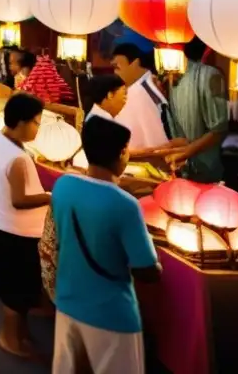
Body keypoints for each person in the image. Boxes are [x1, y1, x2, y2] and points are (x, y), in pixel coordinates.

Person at [50, 116, 161, 374]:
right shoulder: (125, 204)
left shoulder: (63, 185)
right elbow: (147, 271)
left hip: (67, 303)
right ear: (123, 152)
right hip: (111, 313)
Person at [0, 92, 49, 360]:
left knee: (16, 292)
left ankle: (19, 335)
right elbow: (20, 200)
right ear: (21, 122)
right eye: (36, 122)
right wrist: (50, 197)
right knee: (16, 294)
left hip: (3, 225)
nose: (38, 127)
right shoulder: (17, 157)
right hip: (18, 231)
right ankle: (10, 338)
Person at [166, 37, 229, 182]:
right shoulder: (172, 77)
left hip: (207, 168)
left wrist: (185, 152)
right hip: (182, 167)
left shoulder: (211, 75)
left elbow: (218, 130)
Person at [111, 44, 180, 158]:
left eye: (117, 68)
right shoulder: (137, 90)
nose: (115, 73)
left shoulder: (140, 92)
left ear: (135, 64)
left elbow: (157, 142)